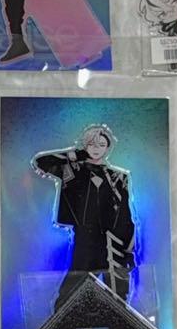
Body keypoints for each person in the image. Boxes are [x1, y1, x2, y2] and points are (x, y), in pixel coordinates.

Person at [32, 125, 136, 310]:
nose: (96, 149)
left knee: (118, 294)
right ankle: (63, 320)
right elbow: (41, 162)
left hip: (114, 240)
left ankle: (116, 322)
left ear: (108, 147)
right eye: (92, 144)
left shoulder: (118, 177)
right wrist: (75, 154)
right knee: (74, 287)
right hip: (85, 237)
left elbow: (125, 215)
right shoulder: (72, 170)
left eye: (101, 144)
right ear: (85, 145)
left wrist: (129, 249)